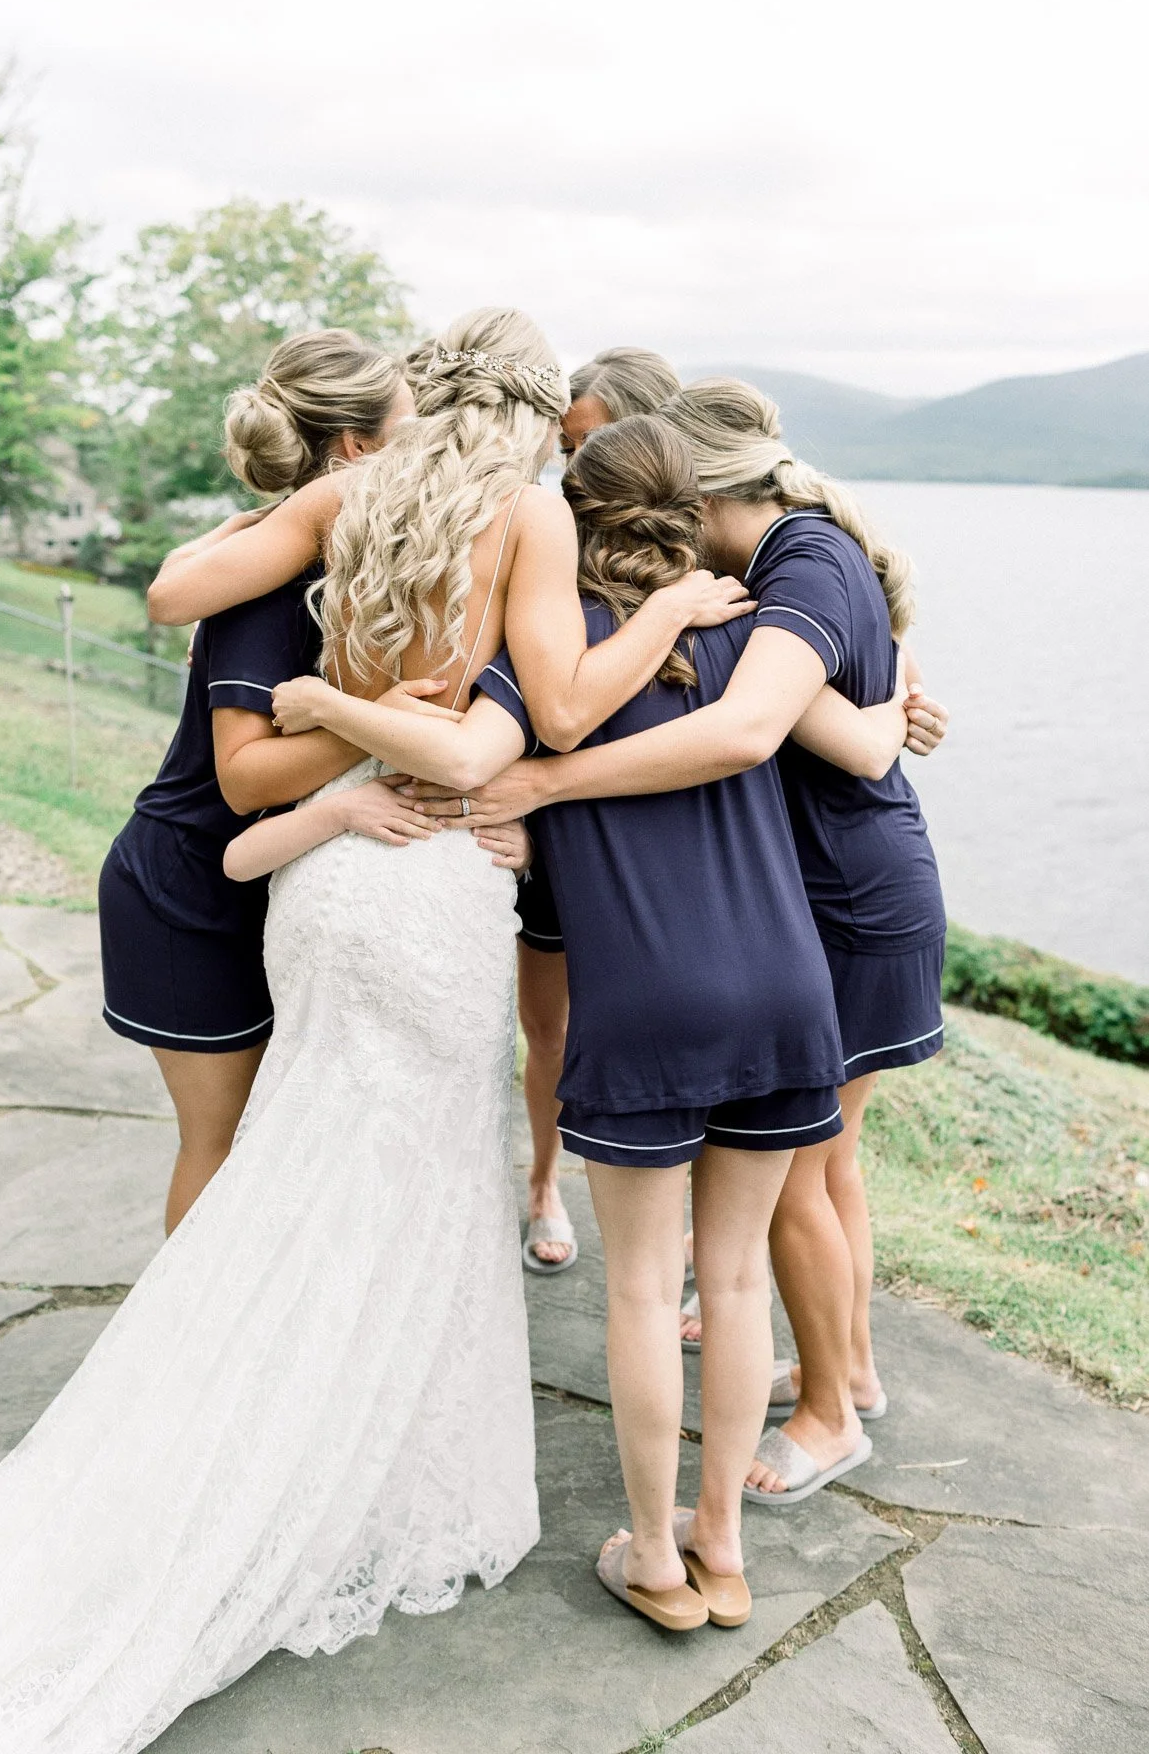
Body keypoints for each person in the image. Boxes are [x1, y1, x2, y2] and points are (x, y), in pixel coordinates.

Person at [0, 309, 757, 1753]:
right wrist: (670, 616)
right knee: (418, 1179)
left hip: (323, 878)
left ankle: (258, 1421)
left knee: (311, 1159)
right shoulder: (524, 515)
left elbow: (183, 589)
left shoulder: (350, 494)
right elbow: (558, 712)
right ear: (529, 415)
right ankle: (351, 1467)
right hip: (435, 878)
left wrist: (335, 697)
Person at [256, 415, 913, 1629]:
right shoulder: (752, 641)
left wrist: (336, 716)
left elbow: (470, 764)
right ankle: (724, 1547)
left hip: (647, 1002)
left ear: (575, 517)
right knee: (731, 1284)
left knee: (639, 1291)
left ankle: (655, 1559)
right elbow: (864, 738)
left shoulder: (541, 667)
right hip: (784, 988)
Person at [407, 379, 948, 1507]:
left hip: (833, 900)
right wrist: (896, 714)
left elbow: (755, 731)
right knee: (796, 1188)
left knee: (783, 1193)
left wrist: (542, 785)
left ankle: (826, 1410)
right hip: (789, 916)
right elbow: (846, 732)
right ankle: (823, 1396)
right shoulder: (746, 597)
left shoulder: (782, 573)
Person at [98, 329, 435, 1233]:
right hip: (189, 891)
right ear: (358, 449)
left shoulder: (301, 553)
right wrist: (375, 717)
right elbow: (245, 781)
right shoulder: (267, 588)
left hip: (246, 879)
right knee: (222, 1140)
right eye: (412, 426)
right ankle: (187, 1357)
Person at [520, 346, 684, 1274]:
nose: (573, 467)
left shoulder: (691, 555)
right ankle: (544, 1182)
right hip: (549, 823)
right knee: (548, 1027)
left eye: (593, 446)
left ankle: (682, 1223)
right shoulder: (547, 531)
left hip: (646, 831)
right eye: (566, 444)